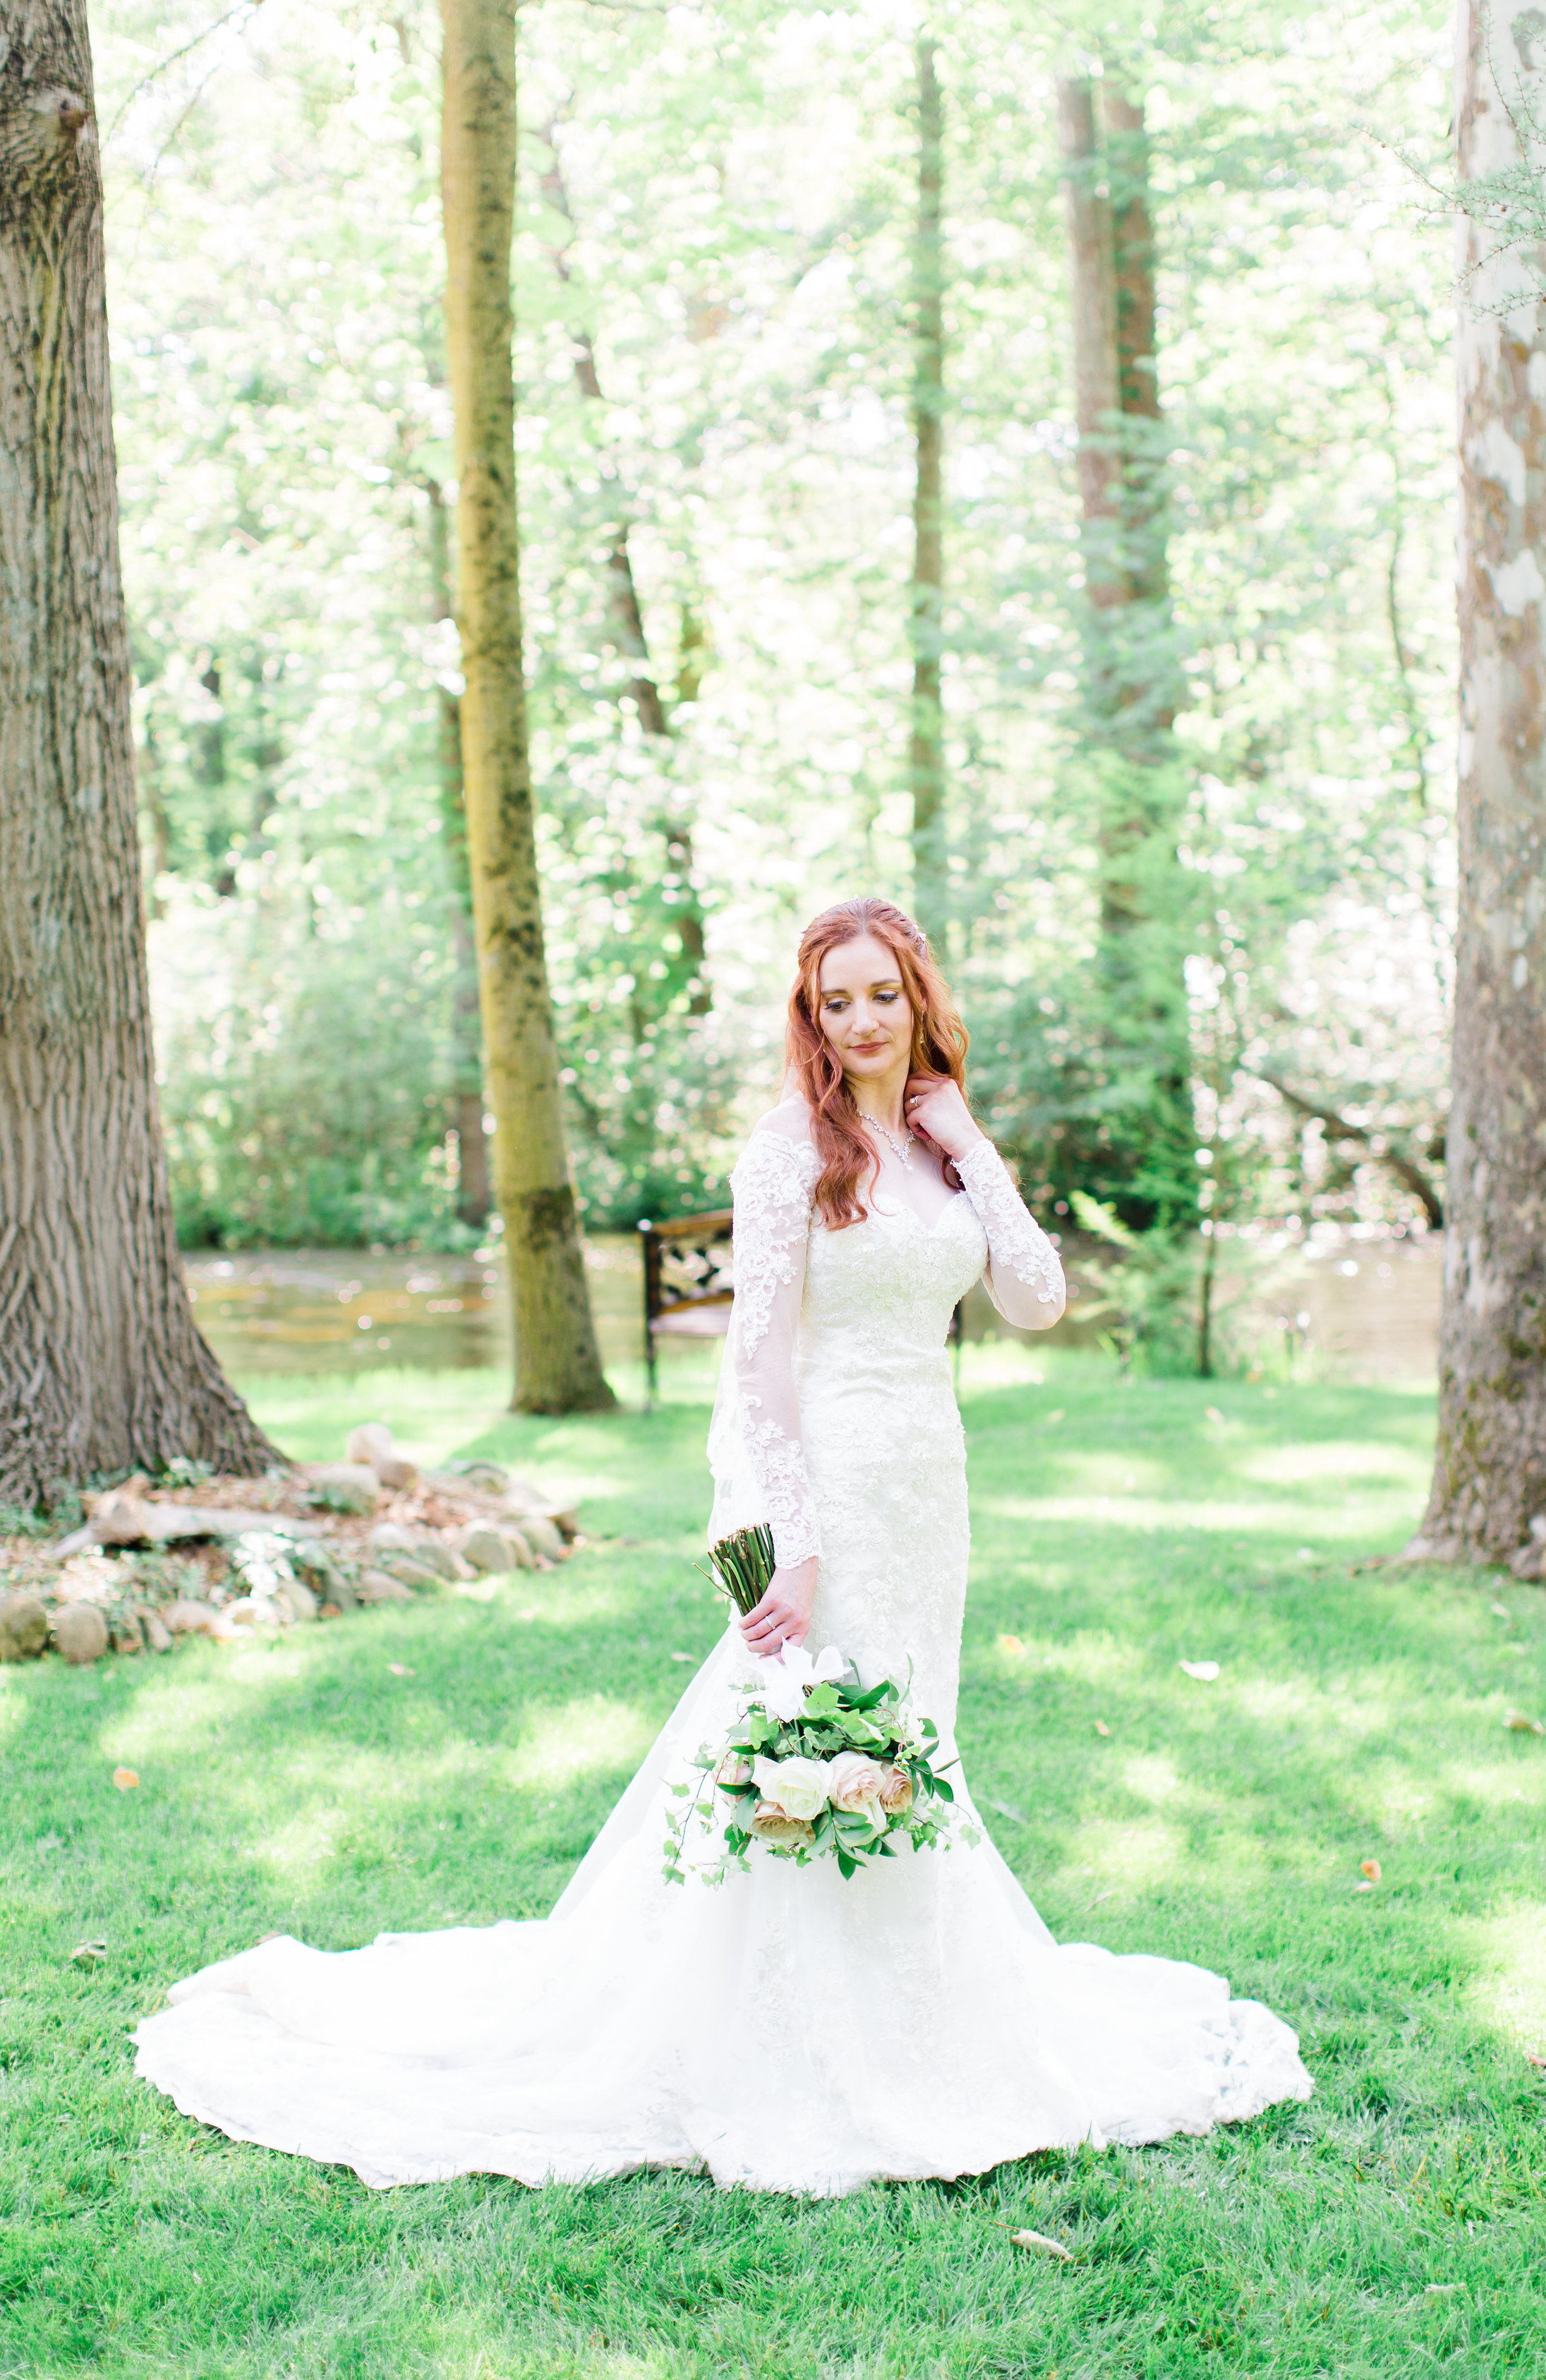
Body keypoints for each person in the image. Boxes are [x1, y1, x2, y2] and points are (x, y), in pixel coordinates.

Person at [134, 897, 1310, 2194]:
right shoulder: (787, 1149)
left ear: (919, 995)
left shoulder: (940, 1148)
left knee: (913, 1730)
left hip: (929, 1486)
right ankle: (781, 2035)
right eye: (835, 1001)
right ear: (811, 1016)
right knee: (811, 1722)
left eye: (881, 994)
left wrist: (973, 1147)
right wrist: (789, 1541)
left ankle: (910, 2008)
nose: (861, 1022)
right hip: (833, 1479)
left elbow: (1037, 1301)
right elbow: (758, 1360)